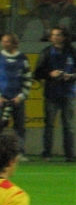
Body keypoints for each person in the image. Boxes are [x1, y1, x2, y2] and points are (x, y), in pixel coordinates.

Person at [0, 33, 32, 161]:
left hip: (17, 100)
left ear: (14, 44)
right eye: (3, 41)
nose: (3, 44)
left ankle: (19, 153)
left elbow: (28, 80)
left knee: (19, 128)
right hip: (0, 100)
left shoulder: (23, 59)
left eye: (6, 42)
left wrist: (21, 97)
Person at [33, 26, 76, 162]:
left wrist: (70, 76)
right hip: (51, 94)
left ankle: (70, 155)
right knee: (49, 125)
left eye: (58, 35)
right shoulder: (46, 52)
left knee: (68, 126)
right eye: (53, 35)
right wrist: (50, 74)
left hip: (69, 93)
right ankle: (47, 154)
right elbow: (37, 73)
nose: (55, 38)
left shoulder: (72, 52)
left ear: (64, 37)